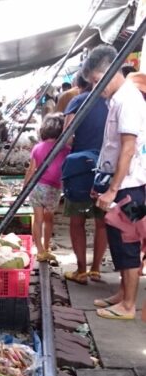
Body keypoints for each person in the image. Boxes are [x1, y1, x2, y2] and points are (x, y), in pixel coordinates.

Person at [83, 45, 146, 320]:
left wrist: (112, 190)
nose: (97, 88)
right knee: (120, 243)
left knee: (127, 241)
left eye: (97, 81)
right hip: (123, 184)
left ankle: (129, 305)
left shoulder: (127, 100)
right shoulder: (118, 98)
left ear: (112, 70)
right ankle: (122, 294)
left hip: (128, 187)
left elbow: (127, 149)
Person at [62, 77, 109, 284]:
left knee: (77, 221)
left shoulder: (78, 101)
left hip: (81, 168)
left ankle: (81, 270)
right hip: (107, 169)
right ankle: (96, 269)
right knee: (102, 223)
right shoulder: (112, 102)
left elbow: (67, 136)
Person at [24, 113, 71, 262]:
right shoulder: (65, 149)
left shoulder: (37, 148)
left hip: (37, 187)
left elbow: (31, 170)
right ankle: (46, 246)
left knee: (37, 219)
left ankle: (40, 250)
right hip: (53, 189)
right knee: (48, 219)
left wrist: (25, 187)